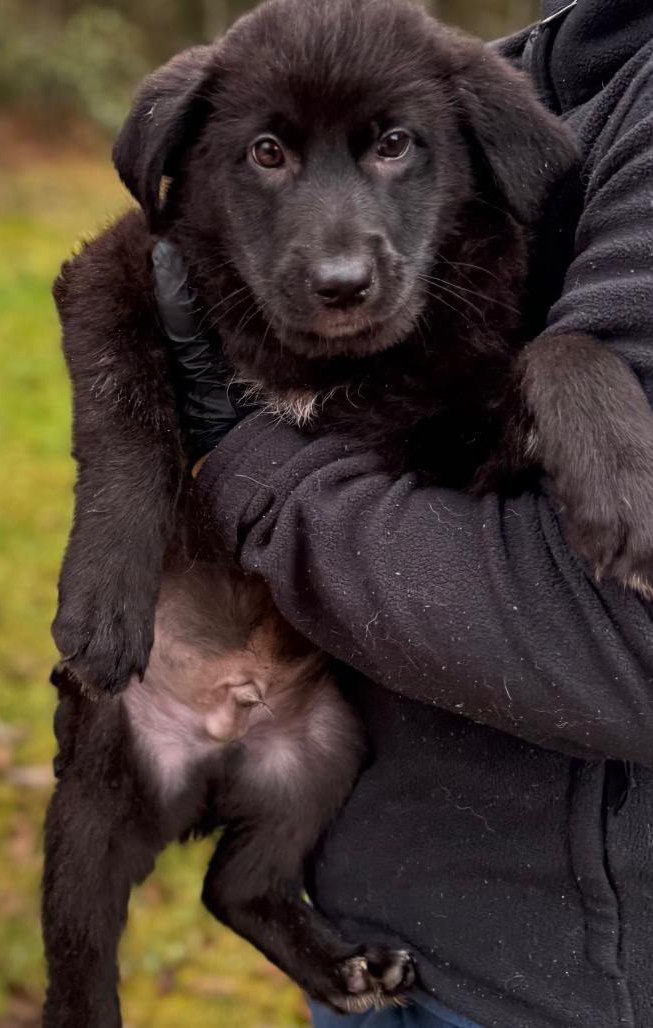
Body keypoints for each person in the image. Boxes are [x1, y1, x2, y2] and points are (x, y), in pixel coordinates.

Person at [153, 2, 653, 1026]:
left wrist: (239, 456)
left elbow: (624, 639)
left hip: (540, 998)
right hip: (376, 927)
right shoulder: (516, 71)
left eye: (388, 146)